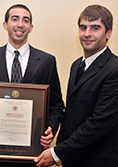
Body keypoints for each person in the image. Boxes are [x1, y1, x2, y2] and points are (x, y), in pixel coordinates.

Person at [0, 3, 64, 167]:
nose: (20, 24)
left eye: (26, 20)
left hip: (33, 155)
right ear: (5, 24)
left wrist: (50, 128)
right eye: (15, 19)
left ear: (31, 27)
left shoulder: (47, 61)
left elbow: (56, 104)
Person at [35, 4, 118, 167]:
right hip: (74, 158)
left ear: (108, 33)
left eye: (95, 28)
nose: (87, 34)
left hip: (98, 161)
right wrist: (51, 129)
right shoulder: (76, 65)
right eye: (83, 27)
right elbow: (73, 113)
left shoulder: (114, 69)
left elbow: (99, 123)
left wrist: (57, 153)